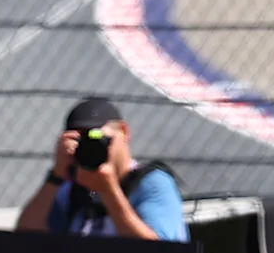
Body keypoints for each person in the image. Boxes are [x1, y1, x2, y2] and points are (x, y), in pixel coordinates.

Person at [16, 96, 184, 243]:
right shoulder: (71, 188)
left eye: (97, 137)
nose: (92, 146)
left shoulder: (153, 182)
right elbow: (26, 237)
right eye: (82, 140)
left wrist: (108, 191)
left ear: (123, 132)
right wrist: (56, 176)